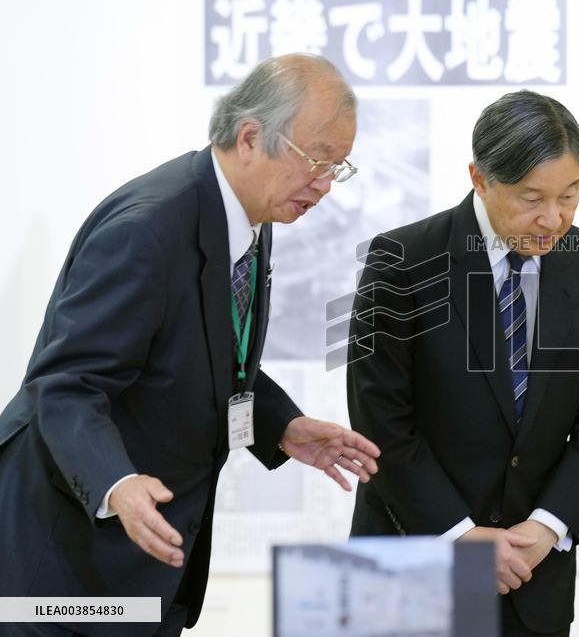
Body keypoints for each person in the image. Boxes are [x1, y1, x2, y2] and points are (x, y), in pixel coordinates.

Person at [0, 54, 381, 637]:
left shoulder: (249, 214)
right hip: (64, 560)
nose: (326, 185)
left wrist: (281, 425)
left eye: (339, 167)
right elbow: (66, 383)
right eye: (317, 161)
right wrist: (116, 483)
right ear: (250, 138)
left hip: (151, 560)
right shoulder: (147, 230)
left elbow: (206, 351)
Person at [346, 90, 579, 636]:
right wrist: (461, 536)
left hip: (532, 570)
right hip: (415, 563)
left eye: (570, 195)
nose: (554, 219)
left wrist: (547, 527)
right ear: (480, 178)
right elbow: (382, 421)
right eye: (532, 198)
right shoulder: (402, 261)